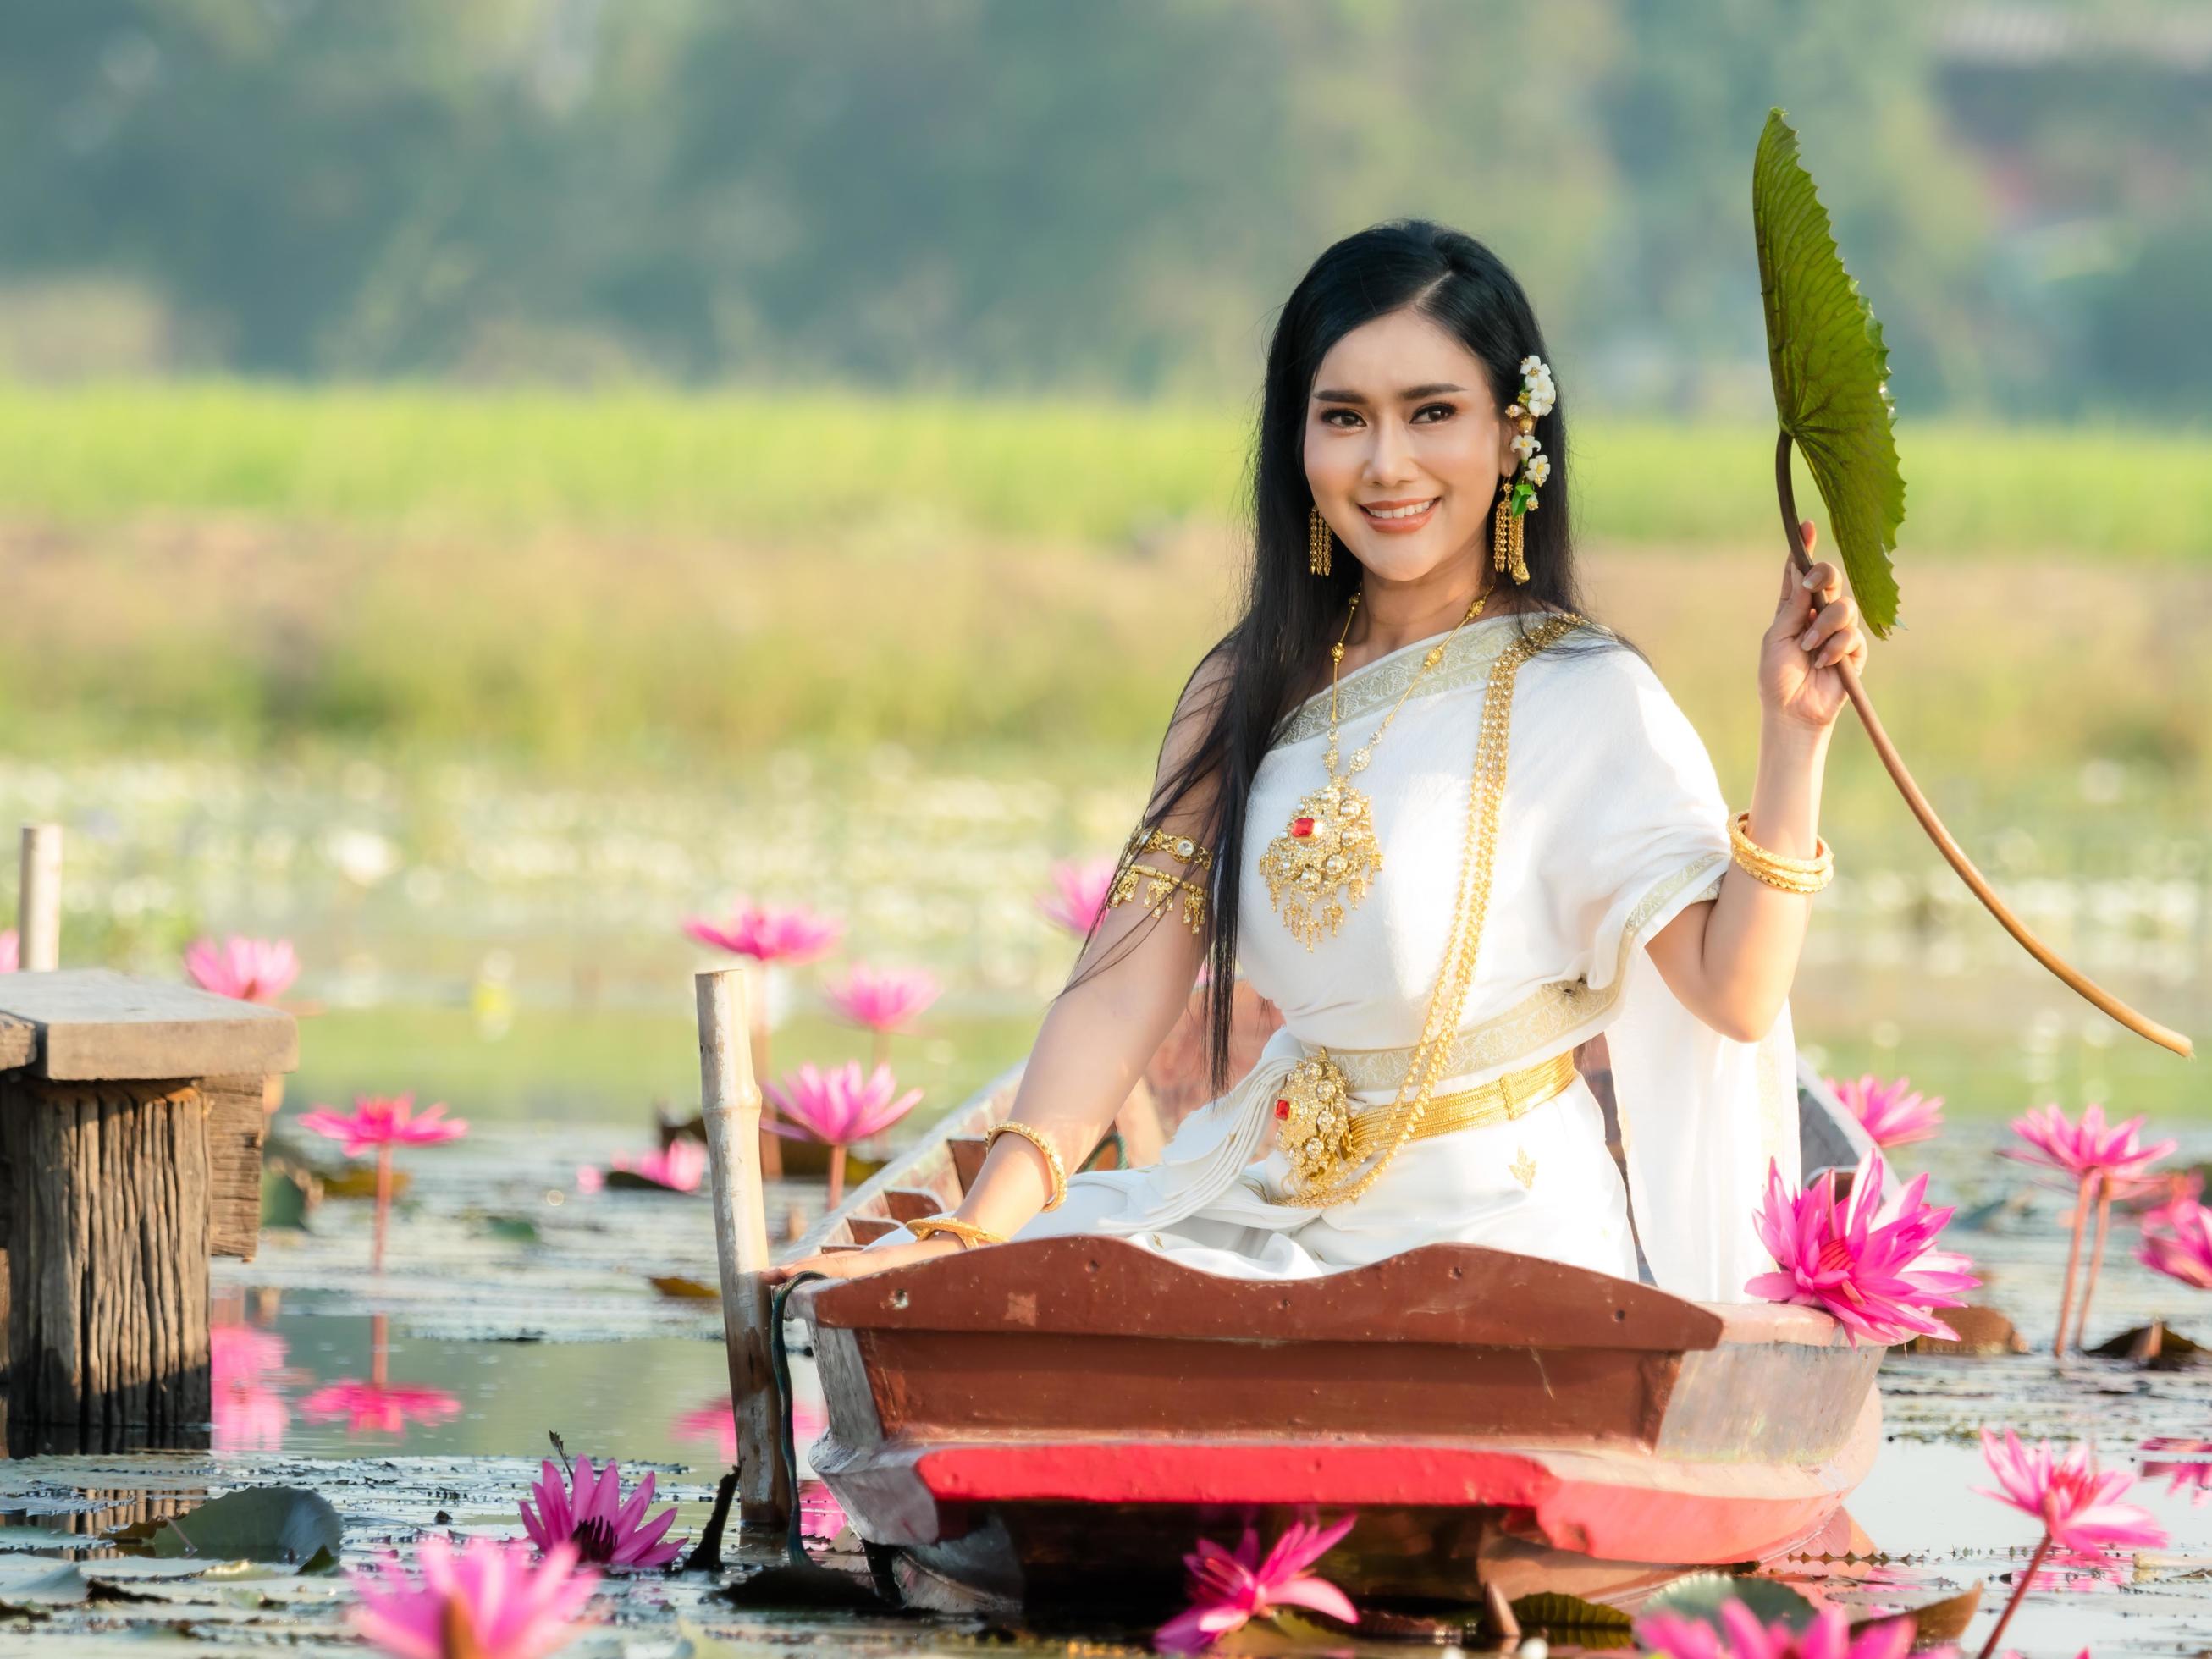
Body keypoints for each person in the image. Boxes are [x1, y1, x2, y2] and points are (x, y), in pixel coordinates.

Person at [770, 219, 1865, 1303]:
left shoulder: (1584, 695)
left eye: (1430, 413)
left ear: (1514, 433)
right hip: (1265, 1205)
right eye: (1344, 418)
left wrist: (1793, 736)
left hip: (1502, 1249)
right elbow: (1119, 989)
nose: (1385, 466)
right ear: (1299, 441)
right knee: (1047, 1290)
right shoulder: (1246, 684)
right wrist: (973, 1231)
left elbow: (1733, 991)